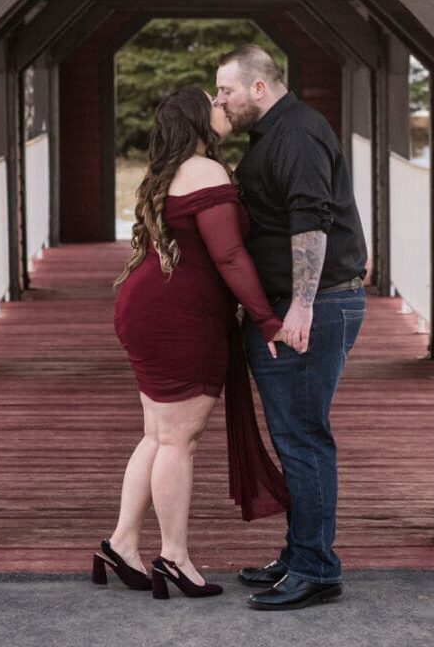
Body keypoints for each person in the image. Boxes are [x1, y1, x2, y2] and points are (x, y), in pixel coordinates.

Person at [96, 86, 290, 601]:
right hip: (180, 316)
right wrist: (268, 319)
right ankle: (175, 558)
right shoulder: (206, 170)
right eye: (218, 105)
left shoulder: (169, 170)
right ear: (200, 121)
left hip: (147, 307)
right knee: (179, 440)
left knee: (159, 436)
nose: (226, 109)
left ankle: (121, 542)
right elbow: (228, 257)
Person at [214, 44, 369, 611]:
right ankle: (302, 552)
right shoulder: (271, 134)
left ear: (258, 87)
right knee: (294, 435)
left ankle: (317, 569)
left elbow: (311, 218)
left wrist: (299, 307)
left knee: (304, 437)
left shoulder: (299, 133)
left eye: (226, 89)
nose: (220, 99)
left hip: (315, 306)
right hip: (294, 305)